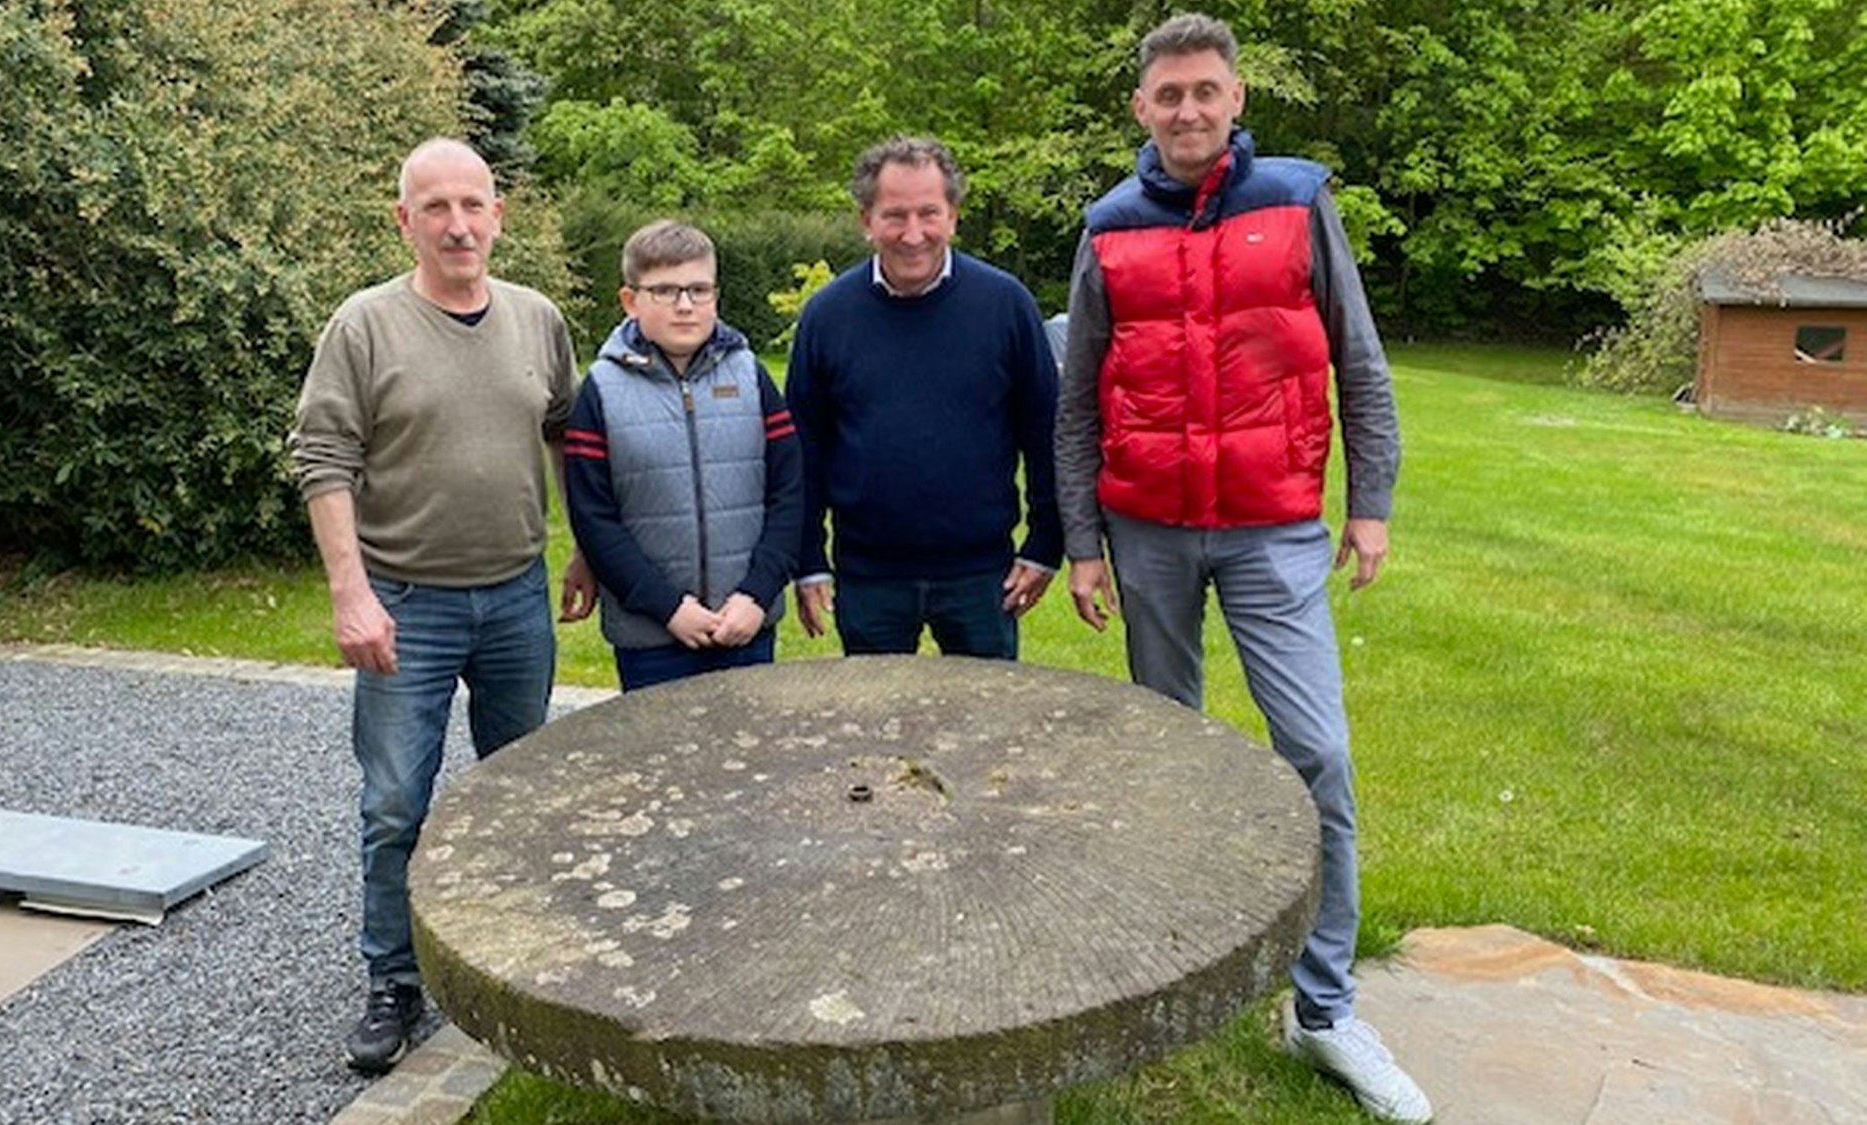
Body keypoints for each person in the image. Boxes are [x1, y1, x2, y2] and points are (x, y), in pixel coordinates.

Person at [1055, 14, 1431, 1123]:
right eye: (1166, 94)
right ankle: (1175, 967)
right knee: (1166, 756)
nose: (1186, 110)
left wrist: (1369, 505)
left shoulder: (1296, 201)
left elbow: (1357, 362)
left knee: (1314, 754)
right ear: (1140, 108)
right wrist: (1082, 542)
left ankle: (1321, 1011)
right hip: (1148, 534)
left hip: (1272, 530)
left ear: (1234, 96)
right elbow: (1075, 398)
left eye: (1204, 91)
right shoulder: (1107, 228)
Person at [287, 137, 595, 1074]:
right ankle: (393, 980)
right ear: (404, 220)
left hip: (513, 599)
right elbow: (322, 459)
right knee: (394, 804)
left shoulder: (537, 318)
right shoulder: (364, 326)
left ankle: (515, 954)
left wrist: (583, 544)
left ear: (499, 213)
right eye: (436, 209)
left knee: (518, 790)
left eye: (474, 204)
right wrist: (352, 594)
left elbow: (565, 434)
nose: (458, 225)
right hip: (405, 605)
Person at [787, 136, 1062, 658]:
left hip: (982, 577)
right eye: (894, 216)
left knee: (985, 730)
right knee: (876, 728)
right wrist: (807, 558)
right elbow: (804, 449)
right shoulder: (827, 317)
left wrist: (1046, 544)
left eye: (928, 213)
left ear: (953, 216)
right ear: (865, 220)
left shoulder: (1006, 306)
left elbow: (1045, 433)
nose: (913, 234)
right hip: (869, 577)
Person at [563, 220, 804, 690]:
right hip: (652, 635)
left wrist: (756, 594)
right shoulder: (601, 392)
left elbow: (790, 493)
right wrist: (668, 607)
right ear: (630, 301)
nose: (686, 305)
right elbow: (593, 517)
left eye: (699, 289)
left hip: (745, 627)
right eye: (665, 291)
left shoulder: (751, 377)